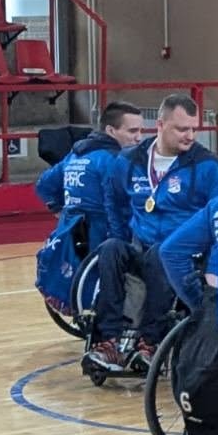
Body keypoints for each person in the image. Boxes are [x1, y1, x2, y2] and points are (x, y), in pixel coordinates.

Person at [88, 94, 218, 369]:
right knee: (111, 249)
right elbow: (113, 199)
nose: (190, 136)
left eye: (194, 129)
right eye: (182, 129)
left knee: (161, 254)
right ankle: (108, 341)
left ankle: (150, 342)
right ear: (160, 125)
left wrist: (214, 269)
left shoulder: (208, 166)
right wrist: (121, 235)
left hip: (184, 258)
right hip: (141, 247)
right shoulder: (130, 160)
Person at [34, 101, 145, 314]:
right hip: (101, 234)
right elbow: (117, 209)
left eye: (141, 131)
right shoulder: (114, 161)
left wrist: (58, 208)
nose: (139, 138)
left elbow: (44, 184)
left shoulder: (76, 155)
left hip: (72, 231)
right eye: (132, 131)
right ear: (111, 130)